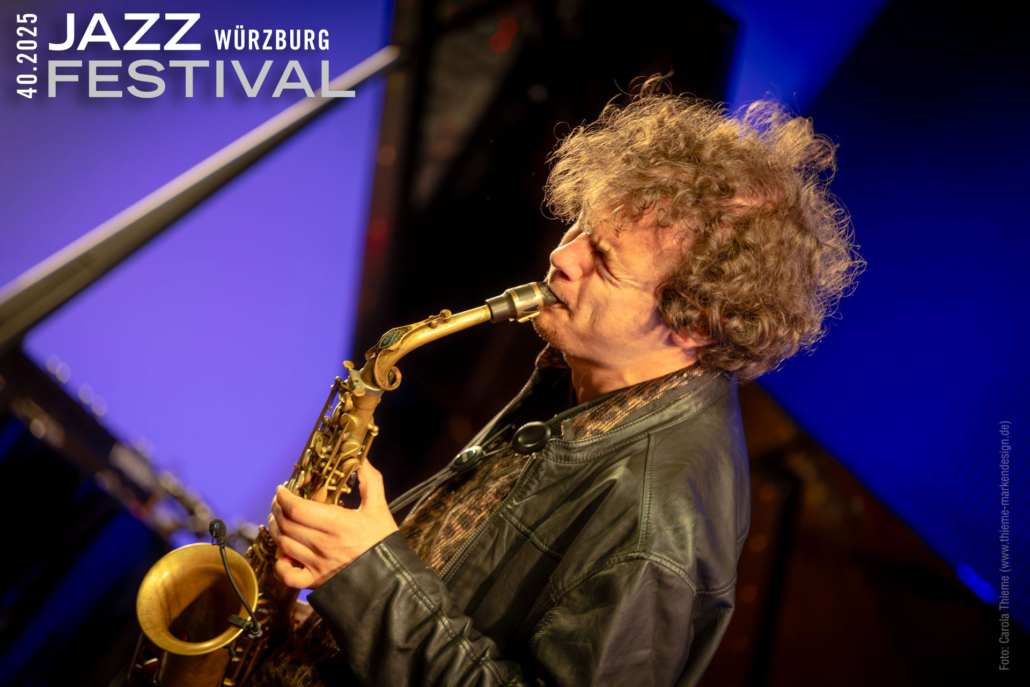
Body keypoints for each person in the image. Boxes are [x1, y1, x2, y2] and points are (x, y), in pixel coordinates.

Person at [252, 75, 863, 686]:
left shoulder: (657, 525)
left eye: (605, 263)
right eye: (583, 230)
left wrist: (366, 577)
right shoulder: (586, 376)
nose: (562, 257)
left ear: (695, 323)